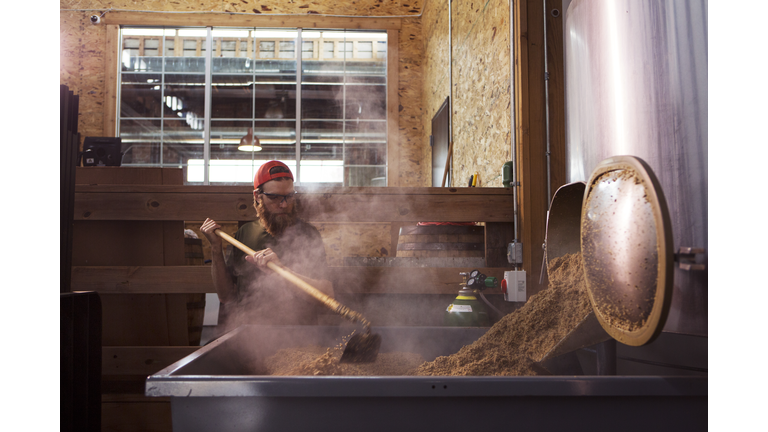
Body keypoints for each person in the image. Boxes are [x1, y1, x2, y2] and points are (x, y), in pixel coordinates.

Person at [200, 161, 333, 335]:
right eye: (274, 197)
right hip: (251, 337)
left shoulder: (308, 234)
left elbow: (326, 295)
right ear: (257, 196)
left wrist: (282, 271)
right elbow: (225, 296)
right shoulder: (244, 234)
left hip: (300, 335)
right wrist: (216, 249)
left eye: (289, 196)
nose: (284, 204)